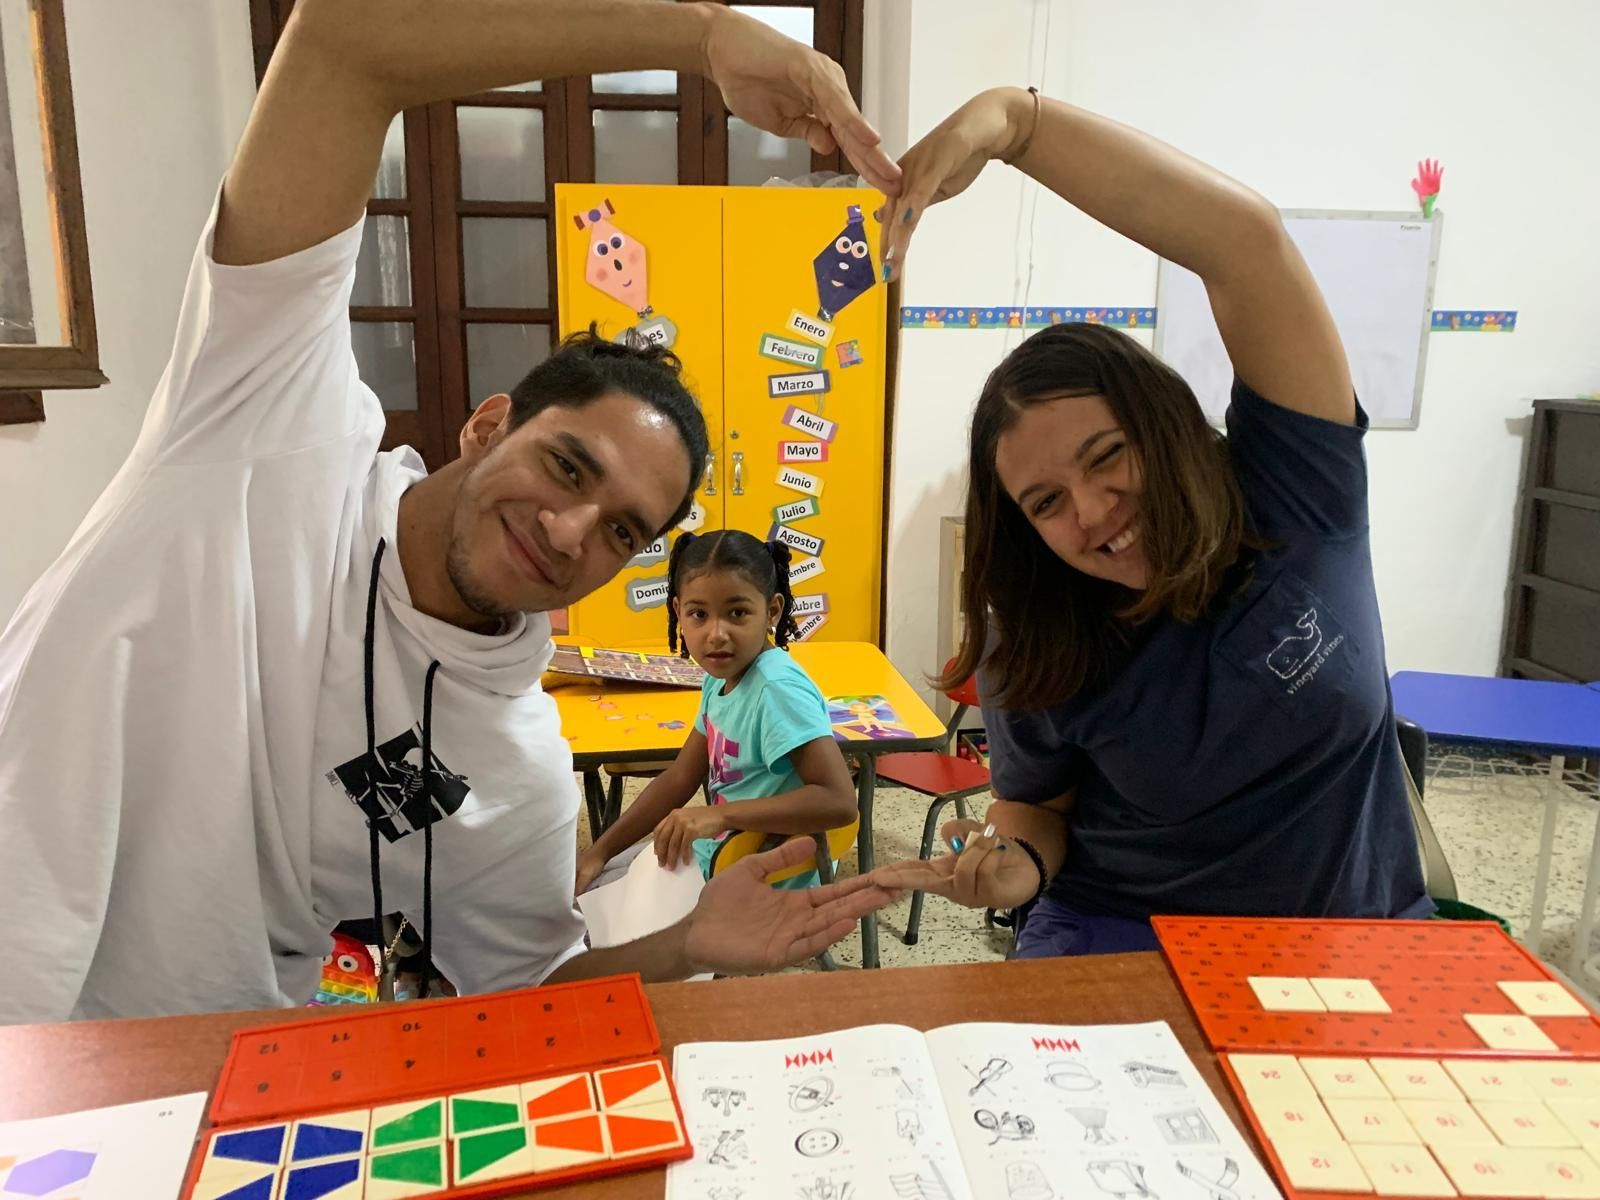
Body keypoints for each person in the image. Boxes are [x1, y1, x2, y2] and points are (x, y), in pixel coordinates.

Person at [0, 0, 902, 1024]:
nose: (571, 531)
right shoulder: (269, 423)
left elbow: (520, 996)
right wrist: (698, 35)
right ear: (486, 425)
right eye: (568, 467)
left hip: (201, 1084)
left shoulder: (514, 766)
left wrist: (680, 945)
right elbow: (342, 44)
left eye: (620, 531)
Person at [870, 87, 1430, 956]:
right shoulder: (1039, 631)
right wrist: (1015, 861)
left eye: (1107, 457)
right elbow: (1036, 808)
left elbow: (1245, 246)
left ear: (1164, 430)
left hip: (1351, 945)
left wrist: (1014, 125)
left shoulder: (1296, 488)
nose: (1093, 515)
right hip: (1125, 936)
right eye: (1046, 503)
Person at [576, 531, 856, 895]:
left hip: (767, 875)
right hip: (724, 853)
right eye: (698, 615)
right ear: (678, 611)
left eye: (737, 613)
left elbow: (839, 802)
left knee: (591, 915)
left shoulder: (776, 689)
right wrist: (598, 851)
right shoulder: (720, 676)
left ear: (772, 610)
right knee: (597, 881)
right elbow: (680, 778)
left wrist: (718, 814)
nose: (716, 634)